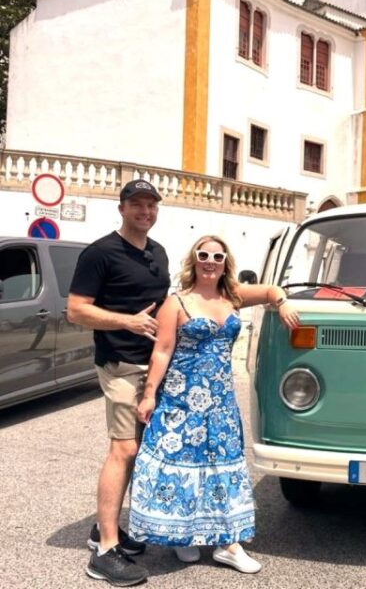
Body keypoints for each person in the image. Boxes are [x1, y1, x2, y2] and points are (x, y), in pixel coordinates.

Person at [127, 235, 300, 573]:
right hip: (181, 400)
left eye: (217, 257)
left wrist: (282, 303)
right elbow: (162, 351)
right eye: (203, 255)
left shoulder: (233, 296)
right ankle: (183, 537)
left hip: (220, 402)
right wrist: (149, 394)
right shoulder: (176, 302)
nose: (210, 261)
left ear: (225, 263)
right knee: (181, 464)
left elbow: (270, 290)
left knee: (222, 465)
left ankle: (228, 544)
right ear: (194, 260)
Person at [67, 180, 169, 586]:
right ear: (122, 208)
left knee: (140, 450)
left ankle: (102, 528)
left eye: (151, 205)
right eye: (137, 204)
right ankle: (105, 551)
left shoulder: (158, 252)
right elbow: (76, 310)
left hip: (154, 366)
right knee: (123, 448)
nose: (145, 211)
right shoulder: (100, 252)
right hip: (121, 363)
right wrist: (127, 321)